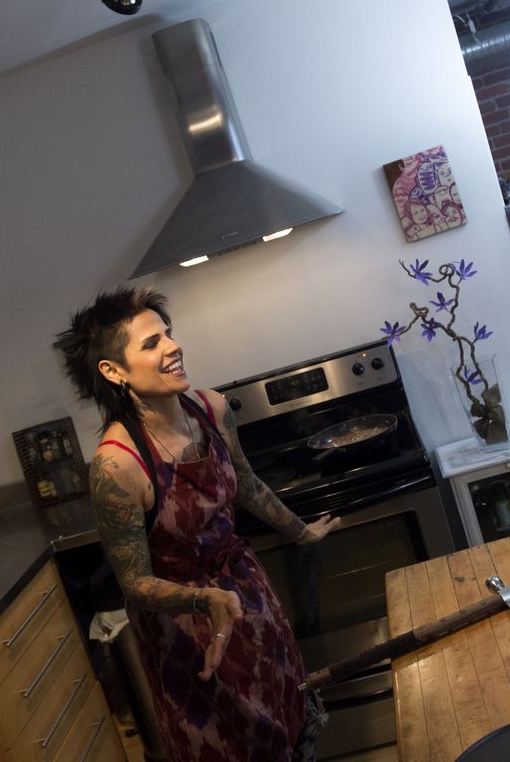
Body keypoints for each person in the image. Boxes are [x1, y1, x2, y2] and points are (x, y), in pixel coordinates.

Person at [53, 286, 340, 761]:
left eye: (168, 335)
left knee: (290, 721)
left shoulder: (211, 410)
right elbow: (134, 583)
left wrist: (301, 531)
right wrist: (204, 599)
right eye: (151, 344)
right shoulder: (117, 467)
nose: (172, 347)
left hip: (249, 599)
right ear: (112, 371)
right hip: (188, 633)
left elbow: (246, 486)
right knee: (233, 744)